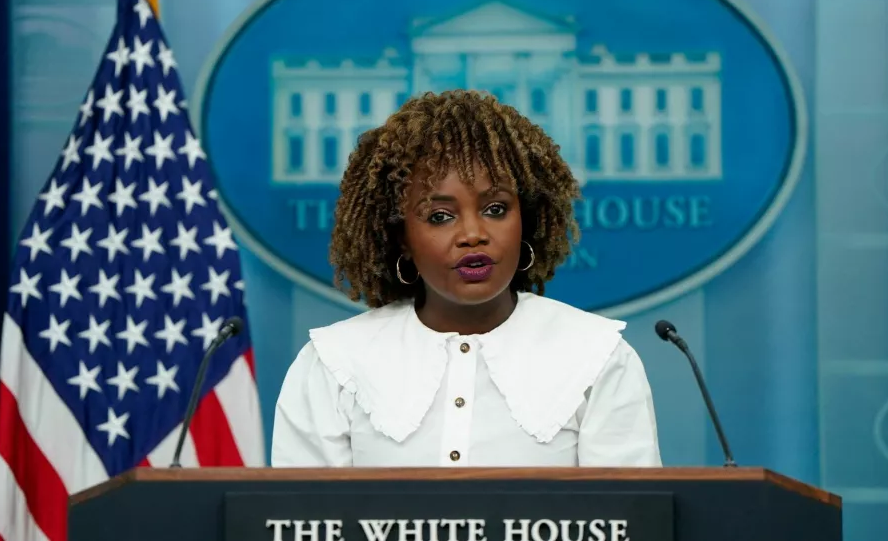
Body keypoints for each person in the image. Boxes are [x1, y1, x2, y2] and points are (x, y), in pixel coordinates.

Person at [270, 90, 662, 467]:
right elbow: (304, 523)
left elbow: (629, 522)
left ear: (526, 218)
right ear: (401, 238)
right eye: (440, 216)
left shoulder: (596, 356)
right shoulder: (335, 363)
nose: (473, 233)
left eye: (496, 208)